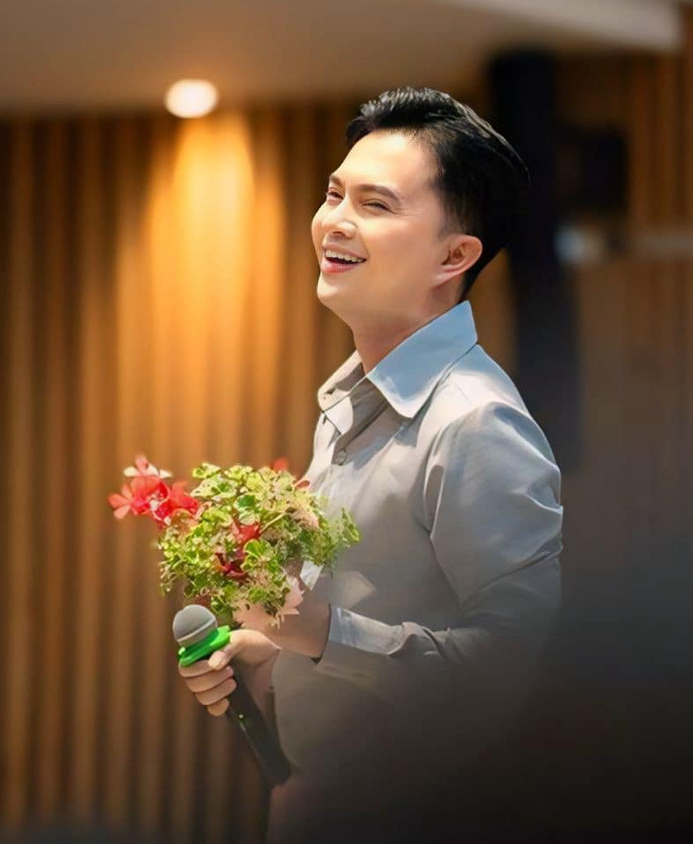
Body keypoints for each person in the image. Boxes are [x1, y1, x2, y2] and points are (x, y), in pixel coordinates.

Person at [177, 86, 564, 841]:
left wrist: (318, 631)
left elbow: (513, 674)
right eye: (333, 194)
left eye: (375, 204)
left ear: (454, 256)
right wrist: (271, 658)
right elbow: (368, 615)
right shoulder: (349, 400)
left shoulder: (475, 421)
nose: (335, 222)